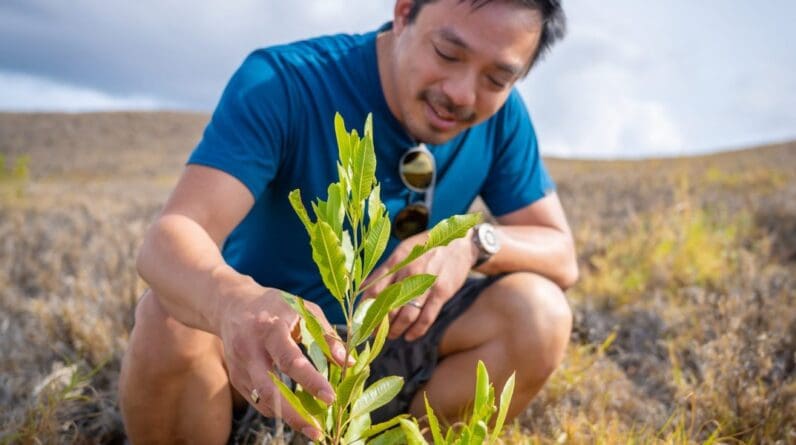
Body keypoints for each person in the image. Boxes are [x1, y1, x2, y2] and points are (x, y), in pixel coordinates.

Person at [119, 0, 578, 442]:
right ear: (403, 13)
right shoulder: (284, 82)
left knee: (539, 312)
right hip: (266, 344)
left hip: (390, 347)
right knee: (169, 316)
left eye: (497, 78)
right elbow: (171, 238)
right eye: (447, 53)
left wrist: (470, 243)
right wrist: (234, 303)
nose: (461, 93)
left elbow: (561, 253)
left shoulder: (502, 120)